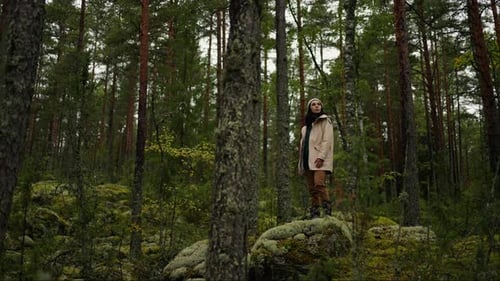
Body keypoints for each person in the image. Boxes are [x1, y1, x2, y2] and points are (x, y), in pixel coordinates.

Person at [298, 98, 334, 219]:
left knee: (319, 184)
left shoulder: (325, 121)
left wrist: (321, 157)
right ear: (310, 108)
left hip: (320, 160)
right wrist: (301, 165)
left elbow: (327, 140)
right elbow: (303, 147)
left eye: (319, 104)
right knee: (312, 189)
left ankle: (328, 214)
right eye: (313, 104)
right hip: (307, 161)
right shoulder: (305, 128)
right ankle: (315, 215)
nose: (317, 106)